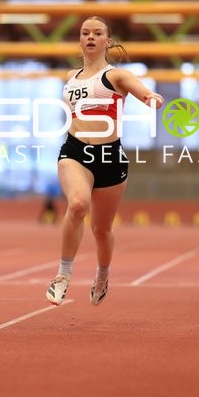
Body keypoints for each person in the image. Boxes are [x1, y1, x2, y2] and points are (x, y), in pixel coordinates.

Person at [46, 16, 164, 307]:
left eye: (97, 33)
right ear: (80, 41)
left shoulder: (116, 76)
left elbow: (143, 91)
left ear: (107, 41)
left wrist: (151, 97)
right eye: (85, 33)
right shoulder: (71, 77)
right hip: (75, 152)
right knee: (77, 205)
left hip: (110, 156)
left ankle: (102, 275)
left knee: (101, 229)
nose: (90, 37)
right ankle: (63, 275)